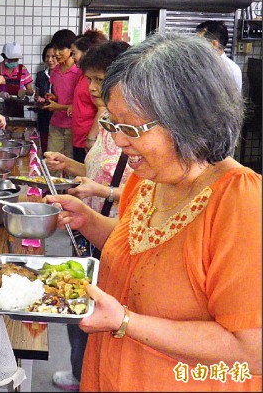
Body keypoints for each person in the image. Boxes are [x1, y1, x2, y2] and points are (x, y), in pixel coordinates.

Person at [46, 32, 261, 391]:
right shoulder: (149, 176)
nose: (118, 140)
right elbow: (139, 249)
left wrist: (126, 322)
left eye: (131, 127)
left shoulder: (241, 202)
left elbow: (252, 350)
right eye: (113, 124)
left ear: (189, 120)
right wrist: (88, 221)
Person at [45, 40, 132, 391]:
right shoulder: (109, 121)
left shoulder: (132, 126)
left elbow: (148, 191)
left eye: (100, 80)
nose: (93, 88)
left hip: (118, 231)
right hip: (88, 226)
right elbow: (99, 169)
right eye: (90, 80)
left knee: (101, 313)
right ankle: (82, 373)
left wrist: (103, 192)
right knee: (78, 305)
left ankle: (95, 378)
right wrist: (71, 166)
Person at [69, 29, 107, 162]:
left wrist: (91, 137)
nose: (72, 58)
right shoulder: (83, 76)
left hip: (89, 137)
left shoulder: (95, 81)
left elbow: (102, 108)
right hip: (80, 137)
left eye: (74, 53)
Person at [43, 29, 81, 159]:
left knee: (70, 163)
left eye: (61, 49)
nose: (57, 54)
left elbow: (80, 104)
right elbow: (60, 95)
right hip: (56, 123)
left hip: (73, 126)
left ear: (71, 49)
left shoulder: (79, 72)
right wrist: (53, 97)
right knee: (52, 162)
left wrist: (57, 107)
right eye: (55, 49)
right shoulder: (55, 71)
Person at [0, 41, 34, 117]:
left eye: (16, 60)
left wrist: (25, 92)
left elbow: (31, 91)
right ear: (4, 57)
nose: (13, 62)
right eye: (10, 59)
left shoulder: (23, 69)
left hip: (18, 109)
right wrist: (0, 94)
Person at [196, 20, 243, 92]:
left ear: (214, 44)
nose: (196, 46)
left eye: (199, 42)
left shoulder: (231, 70)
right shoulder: (201, 65)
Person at [34, 42, 57, 152]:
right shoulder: (41, 75)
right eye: (47, 56)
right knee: (44, 144)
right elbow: (37, 93)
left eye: (53, 56)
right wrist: (38, 98)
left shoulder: (64, 75)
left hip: (58, 115)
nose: (50, 59)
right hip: (43, 116)